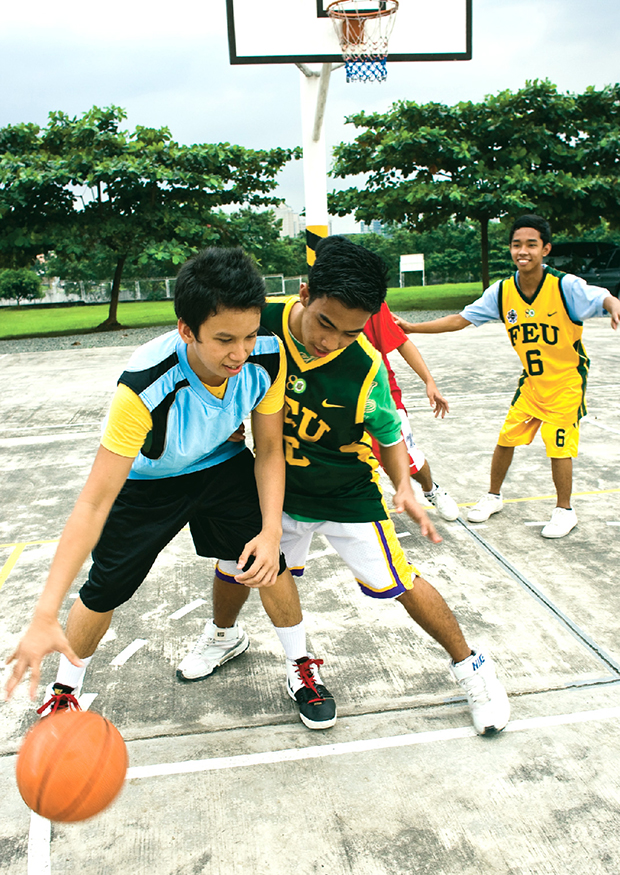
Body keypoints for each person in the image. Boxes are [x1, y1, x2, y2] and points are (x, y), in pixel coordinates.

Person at [183, 235, 510, 736]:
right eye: (325, 323)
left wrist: (403, 484)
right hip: (276, 490)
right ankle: (234, 640)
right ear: (304, 292)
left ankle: (473, 668)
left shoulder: (366, 368)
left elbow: (389, 434)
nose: (331, 341)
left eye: (351, 332)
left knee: (399, 582)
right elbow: (203, 346)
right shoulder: (255, 325)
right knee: (237, 564)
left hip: (345, 493)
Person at [5, 247, 337, 731]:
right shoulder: (144, 385)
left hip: (220, 467)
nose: (239, 353)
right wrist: (42, 612)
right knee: (104, 589)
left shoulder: (266, 357)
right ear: (187, 329)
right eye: (224, 339)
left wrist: (269, 531)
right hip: (148, 482)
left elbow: (268, 450)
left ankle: (300, 666)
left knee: (269, 561)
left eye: (247, 335)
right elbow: (94, 502)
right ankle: (66, 692)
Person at [395, 215, 620, 539]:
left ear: (546, 249)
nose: (523, 250)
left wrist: (613, 306)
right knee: (506, 440)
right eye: (517, 244)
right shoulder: (503, 292)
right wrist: (413, 327)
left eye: (531, 244)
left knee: (558, 446)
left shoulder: (564, 286)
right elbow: (461, 319)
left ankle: (564, 510)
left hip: (566, 382)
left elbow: (601, 296)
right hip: (531, 383)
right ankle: (493, 496)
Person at [363, 301, 460, 521]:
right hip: (340, 399)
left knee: (407, 461)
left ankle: (431, 489)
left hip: (381, 397)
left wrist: (429, 381)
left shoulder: (370, 298)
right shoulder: (315, 303)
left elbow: (401, 341)